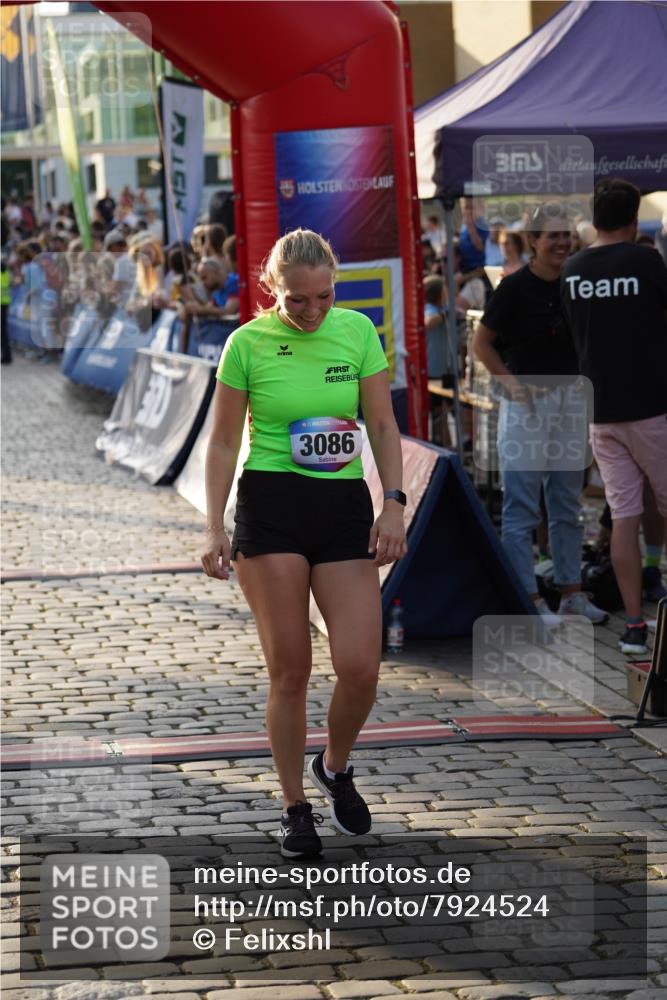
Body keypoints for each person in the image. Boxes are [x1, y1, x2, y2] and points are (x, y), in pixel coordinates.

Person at [201, 228, 407, 859]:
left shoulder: (357, 332)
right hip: (272, 510)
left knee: (361, 668)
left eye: (324, 296)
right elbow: (223, 441)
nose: (313, 309)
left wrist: (394, 504)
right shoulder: (247, 343)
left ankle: (334, 766)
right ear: (272, 289)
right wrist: (214, 525)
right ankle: (294, 806)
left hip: (342, 509)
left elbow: (381, 424)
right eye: (298, 299)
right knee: (291, 670)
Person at [473, 204, 607, 626]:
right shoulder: (514, 288)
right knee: (522, 508)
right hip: (528, 407)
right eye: (553, 235)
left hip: (572, 401)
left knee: (567, 502)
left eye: (567, 234)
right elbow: (481, 343)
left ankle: (571, 593)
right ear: (532, 240)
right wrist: (512, 385)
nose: (563, 242)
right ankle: (528, 599)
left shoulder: (578, 282)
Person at [561, 179, 667, 654]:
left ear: (595, 218)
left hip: (600, 411)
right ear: (632, 219)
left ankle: (634, 627)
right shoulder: (646, 261)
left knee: (623, 516)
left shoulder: (572, 269)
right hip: (651, 406)